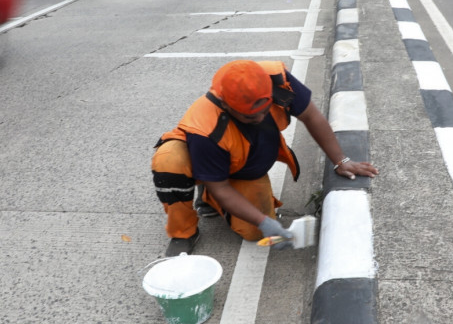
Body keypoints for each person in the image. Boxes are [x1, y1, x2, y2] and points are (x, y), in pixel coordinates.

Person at [152, 60, 378, 256]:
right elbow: (221, 188)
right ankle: (183, 231)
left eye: (265, 109)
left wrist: (341, 161)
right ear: (226, 105)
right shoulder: (206, 128)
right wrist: (263, 221)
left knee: (254, 232)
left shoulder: (275, 80)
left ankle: (208, 190)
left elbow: (311, 115)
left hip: (241, 165)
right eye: (250, 117)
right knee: (169, 160)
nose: (261, 118)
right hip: (209, 159)